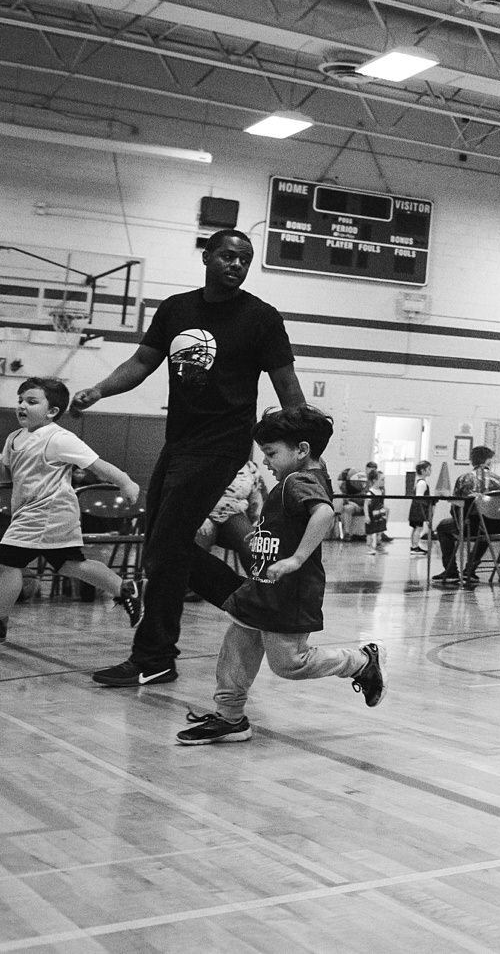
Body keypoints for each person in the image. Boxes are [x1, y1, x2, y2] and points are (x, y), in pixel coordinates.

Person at [77, 229, 301, 689]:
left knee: (166, 547)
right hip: (178, 442)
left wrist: (305, 449)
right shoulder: (177, 309)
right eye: (227, 255)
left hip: (222, 445)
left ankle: (155, 655)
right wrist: (98, 389)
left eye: (244, 258)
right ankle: (253, 607)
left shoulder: (261, 318)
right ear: (207, 256)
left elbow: (287, 384)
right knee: (165, 547)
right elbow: (141, 363)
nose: (236, 264)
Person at [175, 405, 383, 744]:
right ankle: (229, 718)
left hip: (290, 591)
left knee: (289, 663)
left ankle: (361, 661)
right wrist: (262, 537)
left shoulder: (299, 480)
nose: (267, 461)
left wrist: (297, 558)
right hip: (263, 585)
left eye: (272, 453)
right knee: (237, 647)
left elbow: (324, 514)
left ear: (301, 450)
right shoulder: (301, 477)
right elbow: (295, 521)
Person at [0, 377, 143, 644]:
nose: (22, 406)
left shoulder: (59, 438)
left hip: (48, 514)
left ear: (52, 411)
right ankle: (123, 588)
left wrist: (125, 482)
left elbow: (97, 464)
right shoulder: (14, 438)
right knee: (70, 565)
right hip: (32, 514)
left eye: (31, 401)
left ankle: (0, 621)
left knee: (6, 563)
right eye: (20, 400)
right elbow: (6, 471)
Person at [434, 445, 500, 587]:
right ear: (489, 461)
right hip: (494, 527)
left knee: (442, 527)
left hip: (469, 524)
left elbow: (455, 506)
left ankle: (451, 571)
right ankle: (470, 569)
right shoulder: (499, 481)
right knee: (485, 528)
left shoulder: (463, 479)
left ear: (472, 461)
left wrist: (459, 519)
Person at [406, 461, 433, 554]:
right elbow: (419, 497)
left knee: (416, 528)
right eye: (429, 469)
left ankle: (414, 546)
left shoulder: (420, 482)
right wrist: (424, 511)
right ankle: (415, 547)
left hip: (416, 509)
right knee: (418, 528)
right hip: (418, 509)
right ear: (423, 470)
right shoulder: (422, 483)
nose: (430, 471)